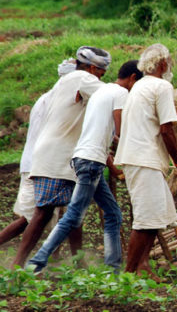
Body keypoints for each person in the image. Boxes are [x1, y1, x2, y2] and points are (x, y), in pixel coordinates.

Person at [27, 60, 144, 273]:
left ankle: (113, 269)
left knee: (113, 213)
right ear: (133, 79)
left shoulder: (102, 91)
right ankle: (37, 262)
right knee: (73, 215)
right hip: (91, 162)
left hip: (86, 158)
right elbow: (120, 134)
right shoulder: (121, 94)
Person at [12, 46, 111, 268]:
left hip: (68, 157)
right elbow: (111, 95)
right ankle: (16, 266)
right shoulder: (81, 78)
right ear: (93, 68)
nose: (100, 78)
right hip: (55, 156)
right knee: (43, 213)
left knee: (75, 210)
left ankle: (78, 263)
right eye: (101, 74)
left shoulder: (69, 83)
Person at [115, 43, 177, 280]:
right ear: (163, 64)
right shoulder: (162, 86)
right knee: (145, 220)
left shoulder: (140, 86)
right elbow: (166, 130)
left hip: (139, 157)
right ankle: (129, 275)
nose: (170, 66)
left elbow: (157, 130)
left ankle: (141, 269)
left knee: (155, 217)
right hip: (143, 159)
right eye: (170, 62)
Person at [0, 59, 77, 250]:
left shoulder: (51, 98)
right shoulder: (55, 101)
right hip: (40, 165)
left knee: (57, 214)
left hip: (44, 164)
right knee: (33, 218)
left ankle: (54, 261)